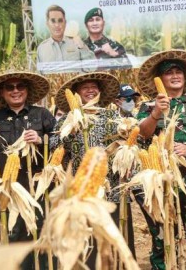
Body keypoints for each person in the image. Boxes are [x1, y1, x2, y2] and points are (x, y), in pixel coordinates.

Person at [136, 49, 186, 269]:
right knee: (162, 237)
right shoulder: (147, 106)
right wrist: (155, 114)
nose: (174, 76)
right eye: (168, 72)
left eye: (178, 71)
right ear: (160, 79)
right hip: (160, 183)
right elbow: (142, 133)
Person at [49, 72, 138, 266]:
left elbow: (129, 145)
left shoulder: (112, 115)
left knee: (117, 242)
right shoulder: (66, 120)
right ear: (76, 93)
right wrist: (69, 131)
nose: (91, 90)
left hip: (113, 191)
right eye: (85, 87)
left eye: (94, 86)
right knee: (88, 246)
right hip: (82, 194)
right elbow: (53, 147)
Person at [0, 72, 56, 269]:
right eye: (10, 87)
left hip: (38, 187)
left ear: (27, 90)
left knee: (39, 232)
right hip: (5, 190)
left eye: (20, 86)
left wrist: (41, 140)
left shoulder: (42, 114)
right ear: (3, 93)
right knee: (10, 232)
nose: (15, 91)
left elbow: (60, 143)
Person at [37, 5, 95, 73]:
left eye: (60, 21)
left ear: (65, 22)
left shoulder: (76, 43)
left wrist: (83, 48)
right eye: (53, 21)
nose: (57, 25)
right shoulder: (42, 49)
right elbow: (40, 77)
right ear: (47, 23)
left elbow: (91, 68)